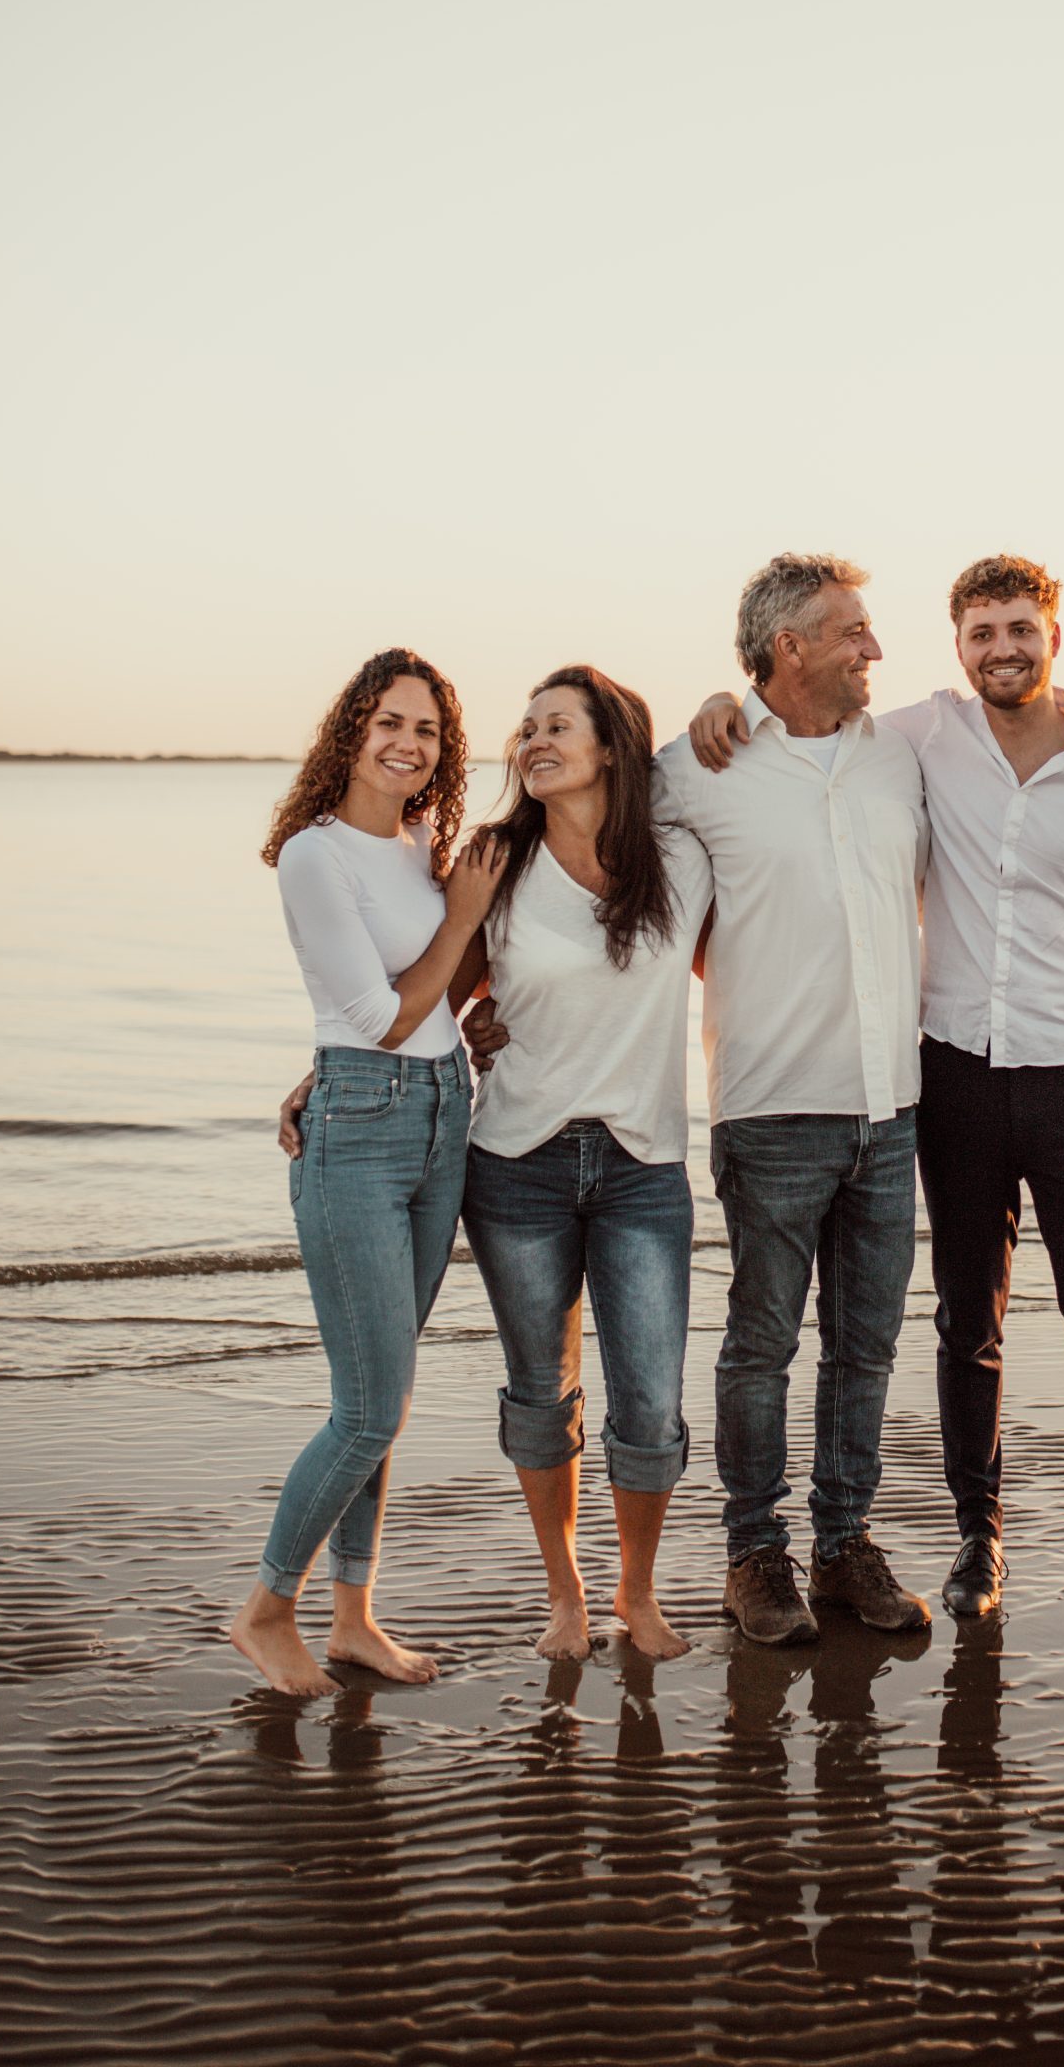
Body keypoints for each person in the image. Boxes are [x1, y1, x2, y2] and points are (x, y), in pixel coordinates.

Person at [688, 553, 1064, 1650]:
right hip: (951, 1075)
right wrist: (720, 703)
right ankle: (977, 1539)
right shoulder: (918, 736)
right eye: (981, 632)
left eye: (1021, 628)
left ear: (1053, 633)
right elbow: (784, 723)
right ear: (959, 644)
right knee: (968, 1326)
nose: (1003, 647)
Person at [653, 554, 932, 1648]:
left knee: (866, 1347)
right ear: (791, 649)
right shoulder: (696, 765)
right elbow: (610, 890)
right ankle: (752, 1555)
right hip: (771, 1108)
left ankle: (844, 1543)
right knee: (761, 1344)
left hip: (892, 1102)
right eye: (852, 630)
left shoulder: (901, 756)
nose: (873, 647)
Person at [230, 648, 499, 1699]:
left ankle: (353, 1618)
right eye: (389, 720)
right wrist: (466, 918)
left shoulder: (421, 846)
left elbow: (433, 997)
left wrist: (478, 988)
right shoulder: (315, 854)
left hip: (442, 1123)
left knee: (387, 1392)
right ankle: (264, 1607)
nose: (408, 741)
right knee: (368, 1407)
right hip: (361, 1129)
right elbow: (379, 1014)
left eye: (428, 728)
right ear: (351, 728)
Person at [450, 666, 714, 1663]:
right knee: (540, 1393)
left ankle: (635, 1594)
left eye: (557, 725)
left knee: (647, 1402)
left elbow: (768, 949)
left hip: (645, 1164)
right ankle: (565, 1592)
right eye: (526, 729)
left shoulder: (682, 863)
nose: (533, 741)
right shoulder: (497, 863)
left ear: (612, 747)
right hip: (516, 1161)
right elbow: (431, 994)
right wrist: (325, 1078)